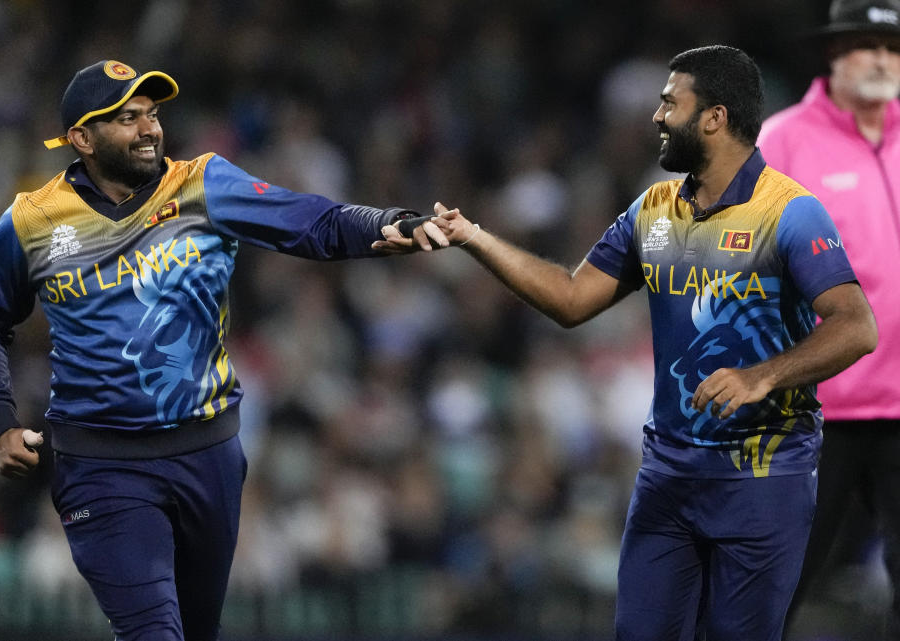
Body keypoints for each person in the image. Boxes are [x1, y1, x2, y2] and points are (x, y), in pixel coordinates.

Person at [374, 45, 878, 641]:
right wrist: (473, 237)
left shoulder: (792, 214)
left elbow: (856, 326)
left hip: (762, 480)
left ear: (714, 117)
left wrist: (760, 375)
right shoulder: (653, 209)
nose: (657, 115)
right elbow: (570, 298)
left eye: (670, 102)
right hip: (667, 478)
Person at [0, 59, 446, 641]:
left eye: (152, 114)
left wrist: (385, 222)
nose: (148, 129)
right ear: (81, 139)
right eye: (126, 118)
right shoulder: (32, 220)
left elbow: (311, 222)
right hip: (99, 464)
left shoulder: (203, 183)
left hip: (208, 457)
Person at [757, 0, 900, 636]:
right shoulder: (783, 140)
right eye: (866, 45)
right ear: (833, 55)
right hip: (815, 407)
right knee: (771, 585)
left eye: (893, 47)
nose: (881, 59)